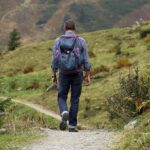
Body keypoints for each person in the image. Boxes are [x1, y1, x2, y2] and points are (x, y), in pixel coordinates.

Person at [51, 20, 91, 132]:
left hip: (63, 73)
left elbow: (54, 59)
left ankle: (64, 111)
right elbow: (86, 59)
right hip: (77, 73)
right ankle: (72, 126)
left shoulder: (58, 41)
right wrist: (87, 74)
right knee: (75, 99)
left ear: (65, 28)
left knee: (61, 96)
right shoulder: (81, 41)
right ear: (75, 28)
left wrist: (54, 73)